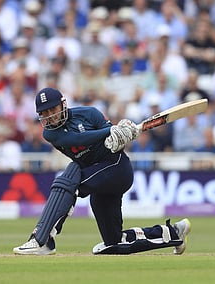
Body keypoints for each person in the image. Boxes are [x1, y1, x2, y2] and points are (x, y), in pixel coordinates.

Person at [13, 87, 190, 255]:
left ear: (63, 104)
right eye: (45, 113)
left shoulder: (89, 113)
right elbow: (76, 139)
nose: (50, 116)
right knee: (113, 242)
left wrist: (121, 136)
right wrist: (109, 131)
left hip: (116, 168)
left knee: (67, 183)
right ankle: (173, 233)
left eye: (53, 109)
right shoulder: (50, 134)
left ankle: (42, 240)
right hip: (96, 177)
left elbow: (115, 144)